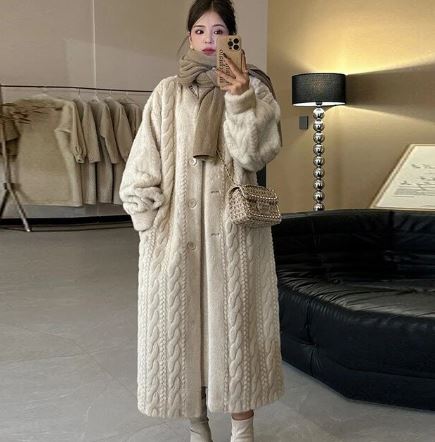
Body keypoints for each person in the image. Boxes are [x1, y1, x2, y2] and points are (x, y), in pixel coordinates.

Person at [119, 0, 284, 440]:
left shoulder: (256, 88)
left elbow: (255, 155)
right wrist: (147, 221)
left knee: (237, 334)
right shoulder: (166, 93)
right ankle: (197, 427)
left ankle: (242, 429)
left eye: (219, 31)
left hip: (235, 236)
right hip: (175, 233)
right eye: (200, 30)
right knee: (182, 332)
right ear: (189, 36)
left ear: (233, 36)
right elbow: (142, 163)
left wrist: (240, 98)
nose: (209, 40)